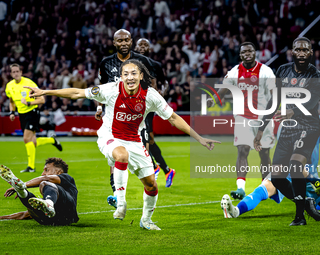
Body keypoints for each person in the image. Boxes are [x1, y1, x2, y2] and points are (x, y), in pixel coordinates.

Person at [25, 59, 220, 230]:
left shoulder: (150, 95)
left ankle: (146, 220)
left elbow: (174, 118)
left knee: (151, 185)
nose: (130, 77)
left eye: (134, 73)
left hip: (135, 140)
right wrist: (45, 91)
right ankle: (120, 202)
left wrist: (200, 138)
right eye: (125, 74)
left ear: (141, 75)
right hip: (109, 136)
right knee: (121, 155)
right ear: (121, 77)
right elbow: (77, 93)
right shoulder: (110, 89)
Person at [254, 37, 320, 226]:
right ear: (292, 52)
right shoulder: (283, 71)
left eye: (305, 50)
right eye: (298, 50)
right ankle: (305, 201)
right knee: (276, 177)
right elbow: (273, 102)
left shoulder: (316, 76)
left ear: (311, 52)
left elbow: (312, 102)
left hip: (308, 127)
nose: (301, 53)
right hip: (288, 129)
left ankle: (299, 217)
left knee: (295, 165)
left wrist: (293, 110)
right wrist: (261, 129)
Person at [222, 116, 320, 219]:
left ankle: (308, 204)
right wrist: (311, 177)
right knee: (265, 188)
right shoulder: (286, 126)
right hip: (288, 172)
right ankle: (235, 211)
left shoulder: (317, 120)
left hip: (310, 176)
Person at [95, 29, 159, 208]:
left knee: (144, 148)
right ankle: (116, 193)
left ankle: (148, 182)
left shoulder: (142, 61)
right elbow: (101, 88)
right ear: (114, 43)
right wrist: (100, 107)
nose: (123, 43)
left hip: (137, 114)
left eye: (126, 40)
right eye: (119, 40)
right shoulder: (106, 63)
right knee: (115, 155)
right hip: (113, 115)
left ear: (131, 41)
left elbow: (152, 84)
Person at [208, 42, 276, 199]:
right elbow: (224, 89)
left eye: (250, 51)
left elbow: (274, 94)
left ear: (255, 53)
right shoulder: (235, 71)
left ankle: (266, 187)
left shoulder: (266, 71)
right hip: (242, 116)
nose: (247, 53)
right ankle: (240, 188)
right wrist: (213, 100)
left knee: (264, 154)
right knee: (242, 149)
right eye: (244, 51)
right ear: (240, 55)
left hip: (262, 117)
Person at [5, 63, 62, 173]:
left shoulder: (29, 83)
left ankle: (31, 167)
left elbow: (41, 100)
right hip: (22, 114)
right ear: (11, 74)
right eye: (13, 72)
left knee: (26, 139)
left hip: (32, 112)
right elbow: (11, 101)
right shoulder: (9, 86)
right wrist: (12, 112)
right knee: (33, 142)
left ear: (21, 72)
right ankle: (52, 140)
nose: (16, 74)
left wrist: (29, 102)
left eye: (17, 71)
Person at [134, 38, 175, 187]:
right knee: (147, 138)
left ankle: (153, 167)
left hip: (148, 104)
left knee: (145, 135)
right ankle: (166, 170)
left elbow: (164, 82)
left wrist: (161, 93)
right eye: (141, 44)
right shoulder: (130, 63)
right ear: (136, 47)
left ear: (150, 48)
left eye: (146, 44)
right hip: (134, 103)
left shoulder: (155, 65)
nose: (143, 46)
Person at [0, 157, 79, 226]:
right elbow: (26, 214)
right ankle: (22, 192)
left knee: (44, 183)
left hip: (68, 214)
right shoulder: (49, 194)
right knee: (30, 200)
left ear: (58, 172)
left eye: (46, 170)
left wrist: (24, 184)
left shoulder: (67, 178)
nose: (42, 173)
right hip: (50, 219)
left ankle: (23, 190)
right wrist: (2, 218)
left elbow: (46, 178)